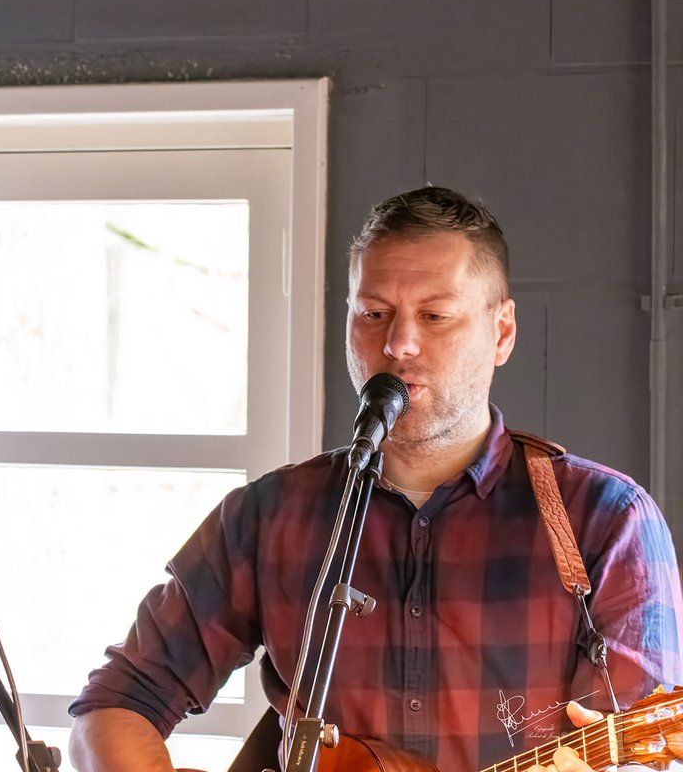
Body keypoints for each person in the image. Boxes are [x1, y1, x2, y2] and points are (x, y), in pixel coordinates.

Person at [68, 186, 683, 772]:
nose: (399, 344)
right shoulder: (267, 515)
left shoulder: (607, 518)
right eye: (373, 313)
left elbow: (640, 742)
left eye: (436, 316)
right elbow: (117, 706)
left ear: (502, 334)